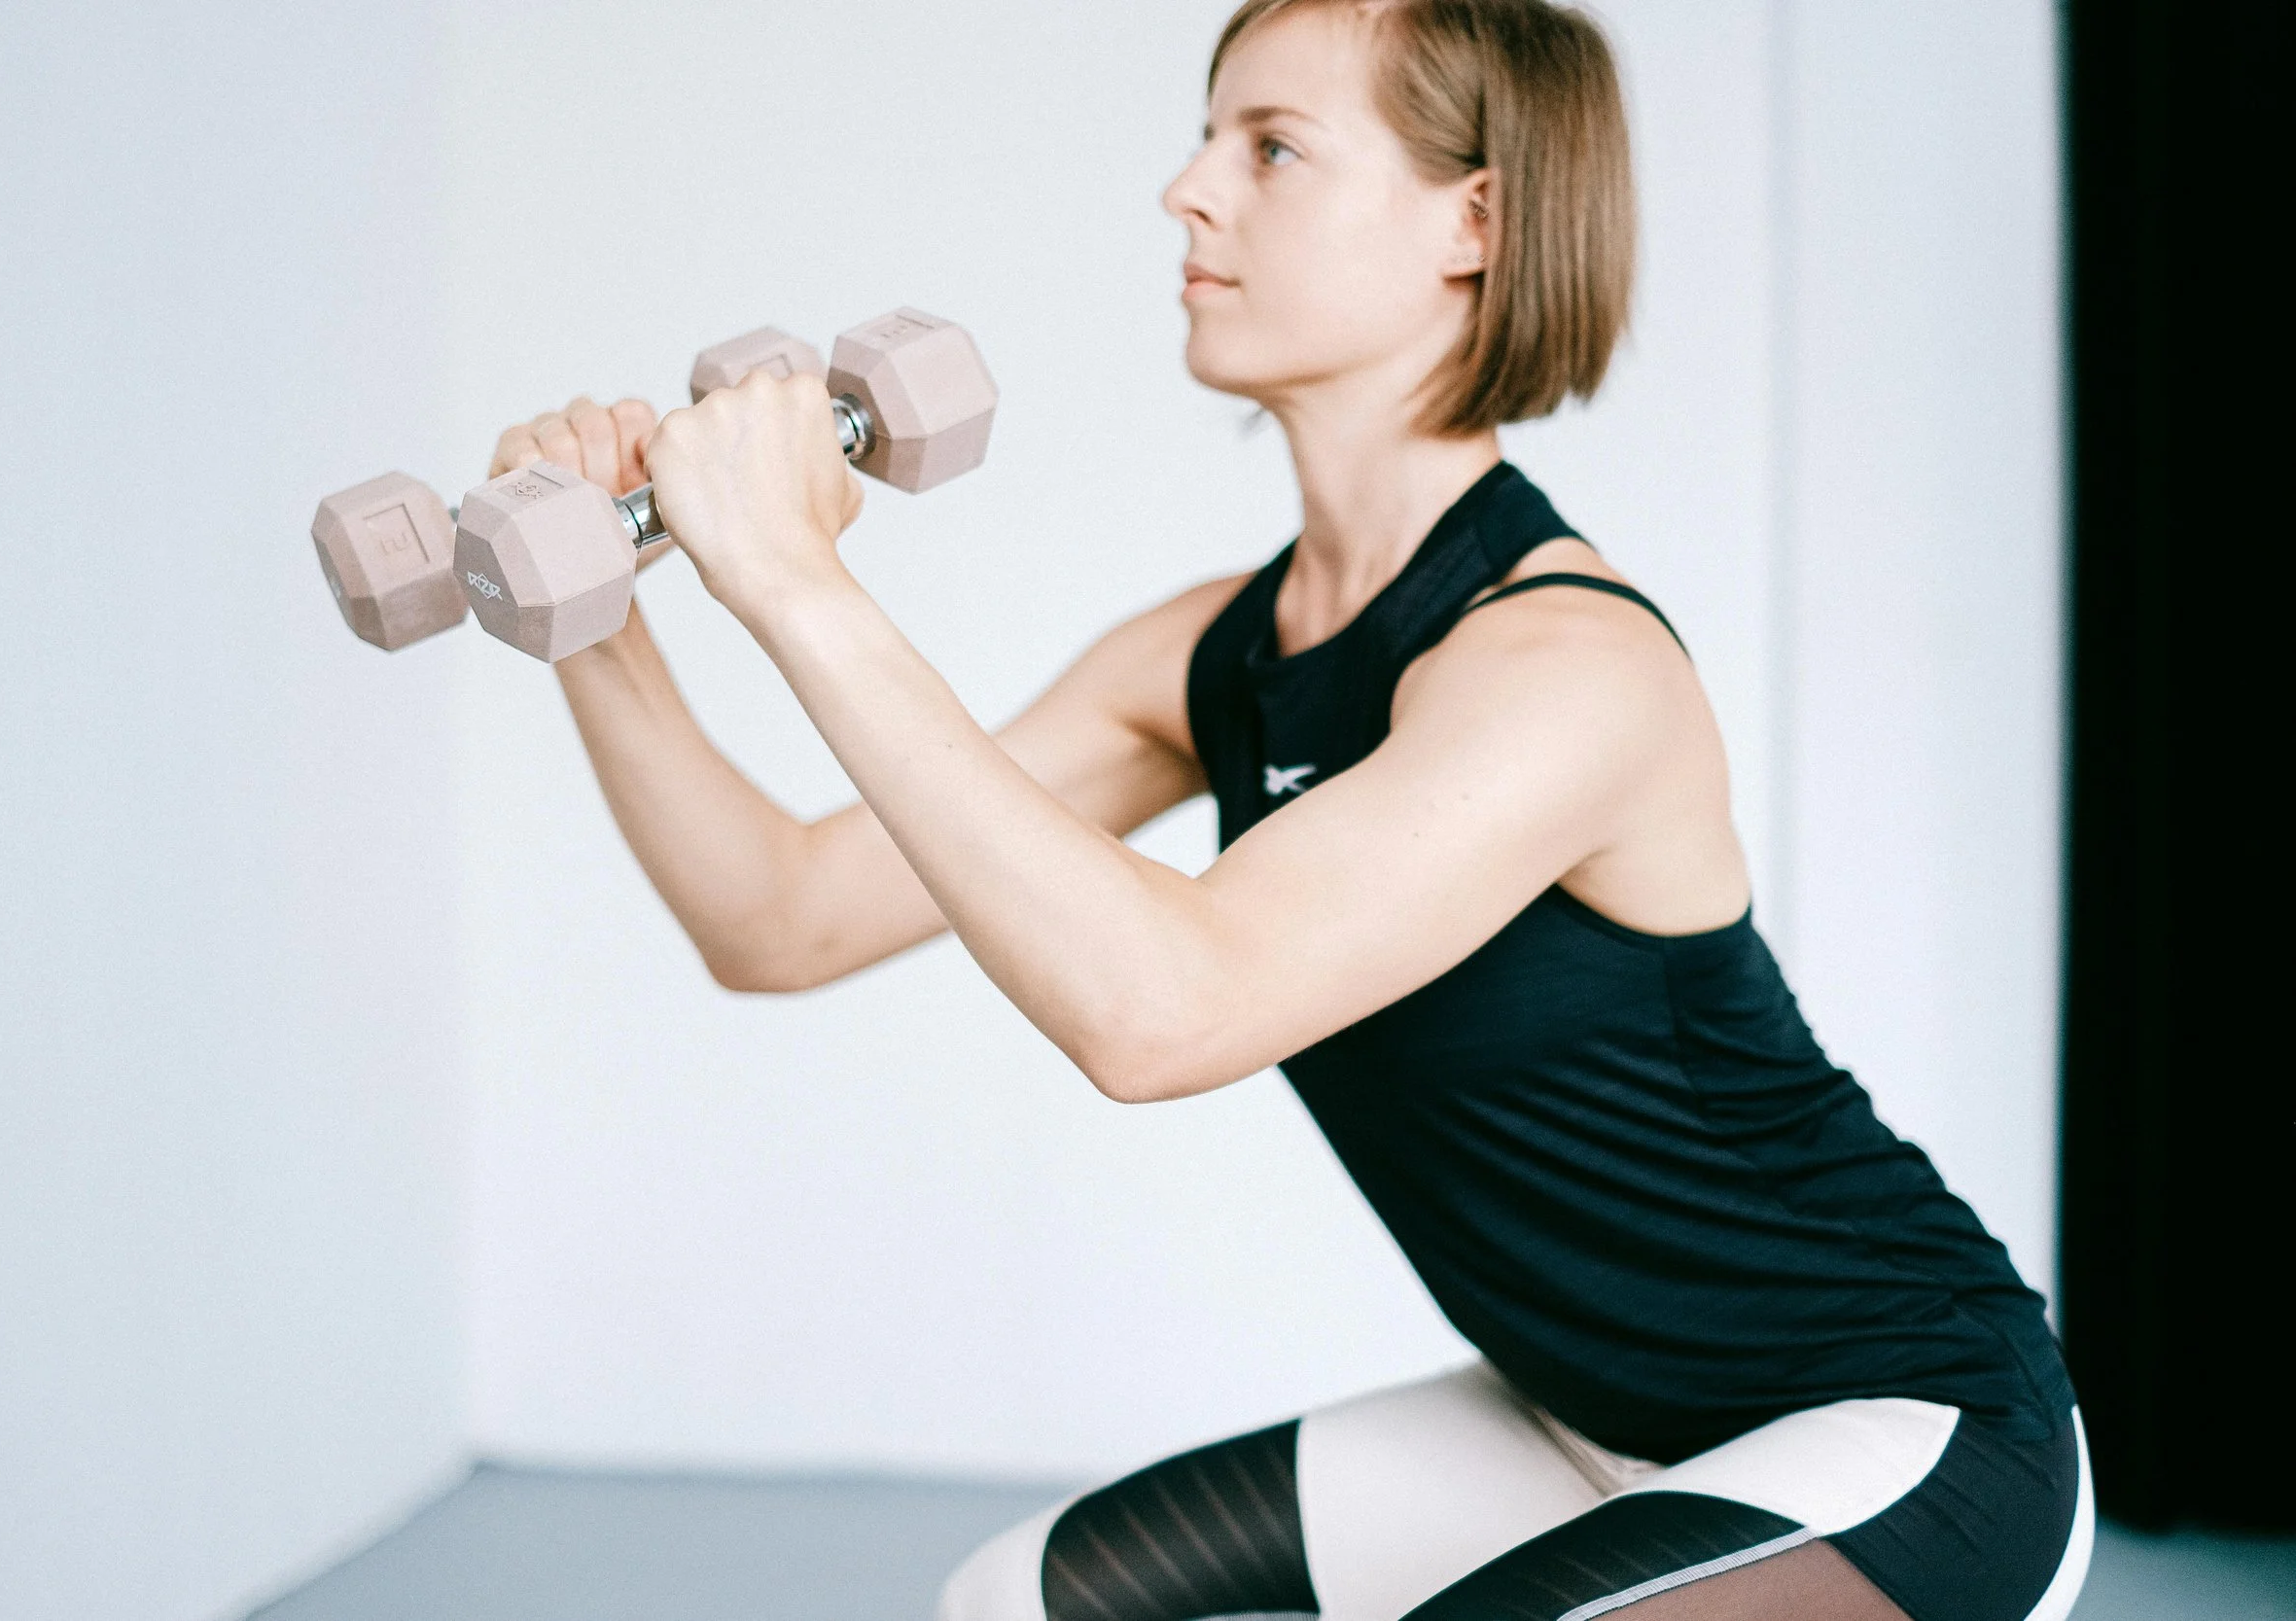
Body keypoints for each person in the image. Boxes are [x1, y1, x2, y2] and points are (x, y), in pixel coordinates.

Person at [486, 2, 2090, 1616]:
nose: (1186, 192)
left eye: (1269, 148)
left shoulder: (1567, 664)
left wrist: (790, 575)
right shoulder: (1217, 656)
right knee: (1011, 1599)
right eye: (1204, 139)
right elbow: (779, 917)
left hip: (1903, 1424)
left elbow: (1165, 1012)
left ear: (1477, 221)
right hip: (1574, 1416)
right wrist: (599, 615)